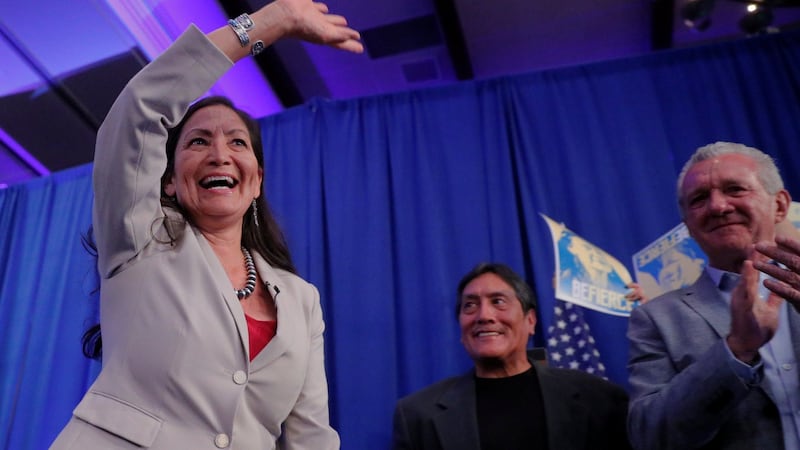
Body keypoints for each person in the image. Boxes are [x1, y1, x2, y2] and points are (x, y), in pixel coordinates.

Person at [50, 2, 362, 449]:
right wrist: (272, 22)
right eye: (198, 141)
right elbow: (139, 110)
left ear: (255, 181)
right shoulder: (139, 237)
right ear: (171, 180)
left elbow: (310, 436)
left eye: (237, 142)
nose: (220, 154)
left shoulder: (301, 301)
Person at [627, 141, 800, 449]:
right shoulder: (656, 318)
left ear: (780, 205)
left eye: (735, 189)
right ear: (688, 226)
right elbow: (650, 435)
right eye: (699, 199)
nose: (718, 206)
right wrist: (737, 350)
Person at [392, 263, 631, 450]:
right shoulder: (417, 415)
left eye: (498, 302)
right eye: (470, 306)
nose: (484, 315)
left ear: (530, 321)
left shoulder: (600, 399)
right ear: (461, 330)